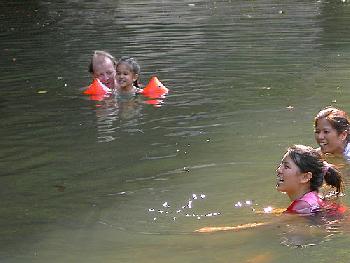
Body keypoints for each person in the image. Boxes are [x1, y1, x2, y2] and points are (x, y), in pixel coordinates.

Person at [196, 145, 345, 233]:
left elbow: (264, 226)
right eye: (281, 164)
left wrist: (217, 230)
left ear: (305, 177)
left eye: (286, 167)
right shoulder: (312, 198)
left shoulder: (302, 205)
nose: (279, 170)